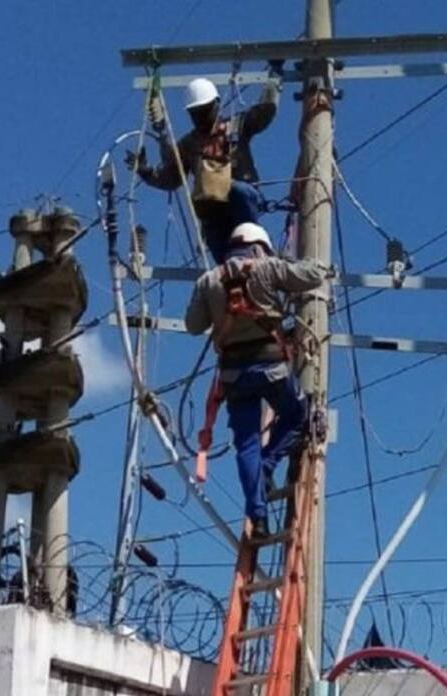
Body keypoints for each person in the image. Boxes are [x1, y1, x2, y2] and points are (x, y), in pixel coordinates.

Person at [185, 222, 327, 539]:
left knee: (246, 444)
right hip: (271, 367)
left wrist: (213, 303)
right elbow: (312, 276)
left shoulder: (209, 280)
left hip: (233, 376)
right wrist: (307, 264)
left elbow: (193, 325)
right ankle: (267, 466)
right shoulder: (267, 267)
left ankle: (258, 519)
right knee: (297, 414)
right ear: (257, 247)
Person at [132, 72, 281, 262]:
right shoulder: (189, 144)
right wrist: (146, 172)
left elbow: (264, 113)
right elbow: (172, 178)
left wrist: (274, 79)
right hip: (212, 212)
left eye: (204, 110)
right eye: (195, 113)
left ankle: (252, 245)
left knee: (237, 190)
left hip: (241, 202)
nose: (200, 117)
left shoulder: (235, 126)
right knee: (225, 270)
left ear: (217, 104)